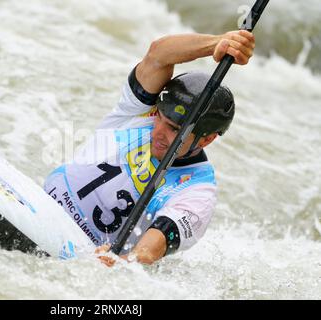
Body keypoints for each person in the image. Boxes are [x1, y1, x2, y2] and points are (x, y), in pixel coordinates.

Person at [43, 30, 255, 266]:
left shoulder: (197, 191)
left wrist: (122, 261)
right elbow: (159, 54)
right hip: (40, 206)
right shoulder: (141, 112)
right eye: (160, 118)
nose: (158, 133)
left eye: (174, 129)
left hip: (78, 255)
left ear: (206, 140)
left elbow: (150, 250)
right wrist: (218, 43)